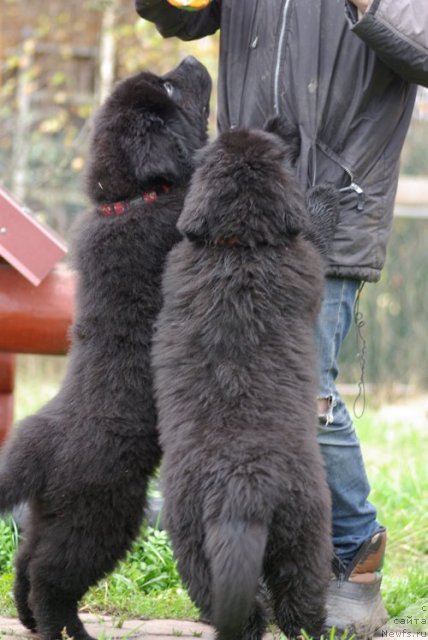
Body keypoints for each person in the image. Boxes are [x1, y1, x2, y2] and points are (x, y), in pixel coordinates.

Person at [135, 1, 428, 636]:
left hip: (331, 209)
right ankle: (247, 547)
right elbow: (182, 19)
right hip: (236, 209)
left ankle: (354, 561)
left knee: (307, 395)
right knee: (218, 389)